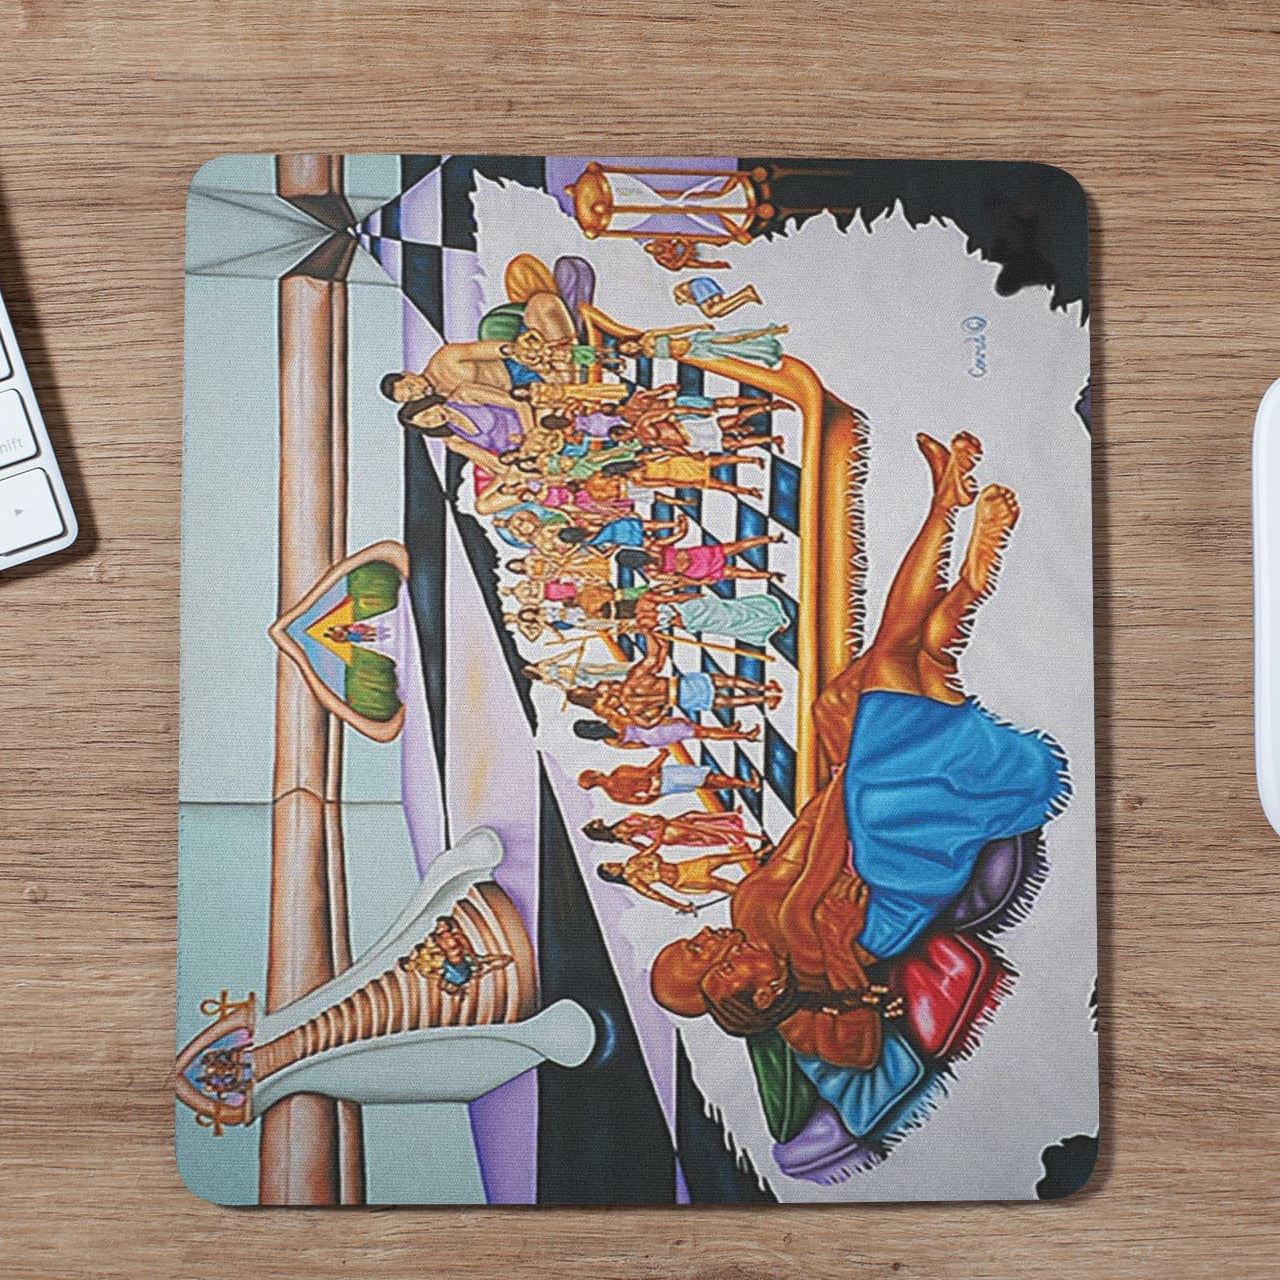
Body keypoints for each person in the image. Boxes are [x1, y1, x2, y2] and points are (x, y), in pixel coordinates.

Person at [648, 431, 1069, 1070]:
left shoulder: (750, 913)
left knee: (850, 695)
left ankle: (960, 564)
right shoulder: (794, 975)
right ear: (739, 992)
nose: (708, 937)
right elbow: (860, 1049)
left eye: (698, 945)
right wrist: (842, 956)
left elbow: (811, 839)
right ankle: (947, 520)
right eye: (707, 956)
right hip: (897, 870)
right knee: (893, 664)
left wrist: (844, 770)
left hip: (860, 840)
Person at [597, 848, 764, 914]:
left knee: (717, 859)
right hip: (682, 880)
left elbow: (653, 853)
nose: (612, 864)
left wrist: (654, 862)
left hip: (683, 867)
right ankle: (756, 896)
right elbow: (658, 896)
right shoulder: (634, 881)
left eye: (609, 863)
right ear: (613, 874)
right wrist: (681, 906)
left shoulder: (632, 861)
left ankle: (756, 855)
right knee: (720, 884)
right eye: (609, 867)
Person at [578, 749, 758, 805]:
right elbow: (647, 772)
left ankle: (740, 785)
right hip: (663, 777)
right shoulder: (619, 773)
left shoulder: (613, 796)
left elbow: (642, 801)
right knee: (708, 778)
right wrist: (663, 756)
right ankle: (749, 784)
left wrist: (657, 793)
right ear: (595, 775)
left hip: (663, 788)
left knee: (702, 785)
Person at [584, 809, 772, 859]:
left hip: (663, 831)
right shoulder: (621, 831)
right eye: (594, 824)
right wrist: (657, 832)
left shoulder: (619, 834)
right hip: (665, 831)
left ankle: (731, 820)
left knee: (694, 820)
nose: (596, 820)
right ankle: (733, 830)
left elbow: (644, 846)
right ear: (598, 830)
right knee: (698, 828)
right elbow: (646, 830)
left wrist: (654, 825)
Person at [572, 718, 759, 748]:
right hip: (653, 728)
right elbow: (643, 721)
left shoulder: (610, 742)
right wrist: (668, 720)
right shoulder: (614, 721)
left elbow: (638, 746)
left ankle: (728, 731)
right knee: (700, 732)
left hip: (651, 738)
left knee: (698, 733)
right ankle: (745, 736)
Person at [674, 277, 763, 318]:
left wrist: (688, 300)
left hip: (698, 286)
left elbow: (696, 301)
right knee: (720, 312)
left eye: (680, 301)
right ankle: (746, 298)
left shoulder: (678, 292)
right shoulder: (687, 295)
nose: (681, 303)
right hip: (705, 283)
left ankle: (745, 293)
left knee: (709, 312)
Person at [642, 237, 731, 272]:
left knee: (692, 238)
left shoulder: (660, 240)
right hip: (684, 257)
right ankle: (718, 265)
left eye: (655, 246)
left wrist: (687, 245)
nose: (657, 248)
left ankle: (718, 241)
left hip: (683, 247)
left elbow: (676, 236)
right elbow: (675, 266)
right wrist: (687, 254)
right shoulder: (661, 259)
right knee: (692, 264)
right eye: (655, 250)